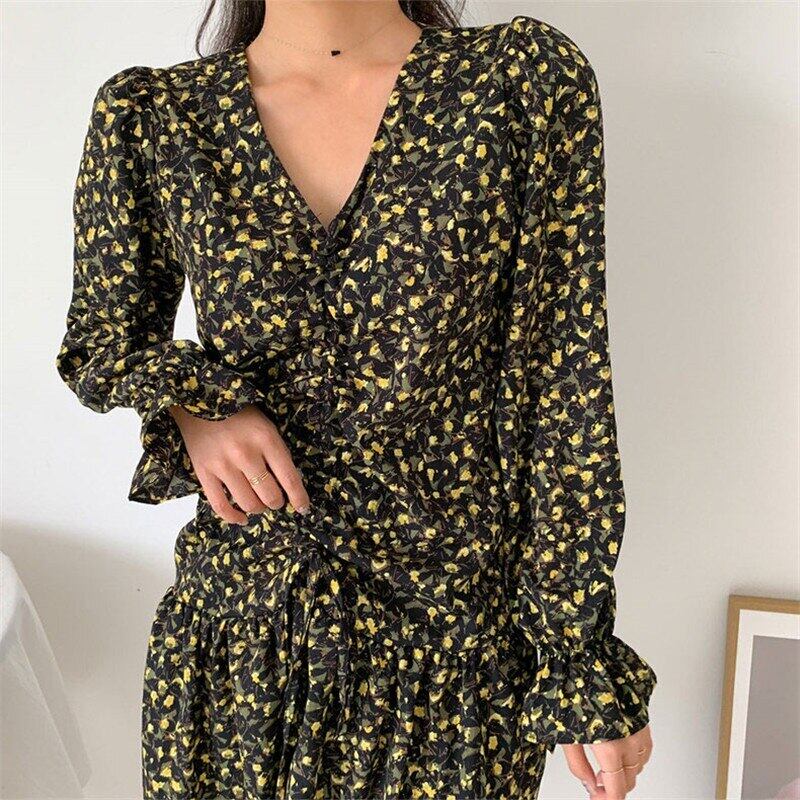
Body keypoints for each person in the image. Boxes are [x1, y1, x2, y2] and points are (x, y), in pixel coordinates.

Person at [55, 1, 657, 797]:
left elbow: (563, 379)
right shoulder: (155, 118)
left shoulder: (518, 85)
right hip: (241, 655)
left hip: (452, 671)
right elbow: (101, 340)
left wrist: (577, 657)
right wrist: (196, 405)